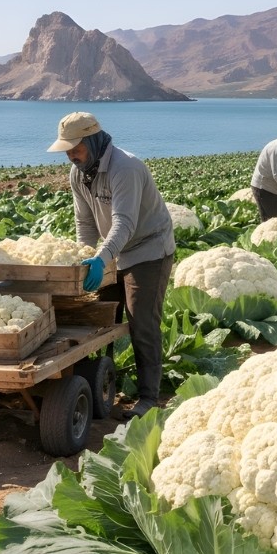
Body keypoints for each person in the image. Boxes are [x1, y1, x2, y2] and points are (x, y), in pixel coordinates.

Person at [47, 111, 175, 418]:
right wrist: (87, 256)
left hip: (148, 249)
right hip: (113, 251)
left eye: (75, 148)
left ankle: (148, 398)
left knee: (141, 321)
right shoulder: (79, 172)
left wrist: (103, 258)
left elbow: (125, 223)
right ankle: (100, 382)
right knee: (99, 316)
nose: (70, 155)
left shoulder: (125, 167)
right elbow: (85, 222)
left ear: (92, 141)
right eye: (66, 149)